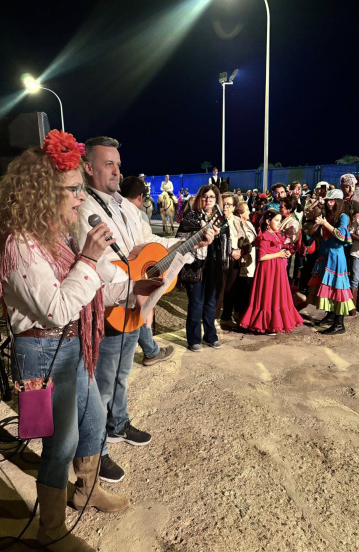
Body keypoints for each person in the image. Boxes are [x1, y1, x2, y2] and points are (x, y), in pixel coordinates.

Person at [0, 130, 159, 551]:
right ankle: (50, 531)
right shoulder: (20, 245)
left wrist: (132, 286)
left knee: (94, 422)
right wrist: (88, 257)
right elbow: (58, 308)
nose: (81, 198)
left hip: (70, 346)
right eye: (73, 190)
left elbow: (89, 289)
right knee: (59, 443)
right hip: (41, 353)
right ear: (43, 193)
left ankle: (85, 489)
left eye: (81, 189)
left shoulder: (53, 237)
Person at [78, 137, 213, 483]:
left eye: (118, 164)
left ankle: (118, 424)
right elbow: (97, 266)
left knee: (122, 375)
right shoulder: (82, 210)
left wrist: (187, 242)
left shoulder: (126, 206)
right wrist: (133, 285)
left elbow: (148, 245)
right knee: (101, 385)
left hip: (134, 304)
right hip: (111, 306)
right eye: (108, 164)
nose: (117, 171)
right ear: (89, 168)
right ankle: (97, 452)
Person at [120, 175, 175, 365]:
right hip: (132, 275)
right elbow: (150, 241)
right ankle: (150, 351)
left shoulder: (117, 211)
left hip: (124, 275)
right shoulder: (138, 215)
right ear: (140, 197)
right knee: (141, 310)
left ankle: (150, 349)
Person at [176, 184, 224, 351]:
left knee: (211, 302)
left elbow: (226, 241)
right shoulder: (191, 217)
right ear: (199, 198)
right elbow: (180, 240)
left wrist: (220, 236)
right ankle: (194, 339)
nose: (208, 200)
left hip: (213, 266)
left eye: (212, 197)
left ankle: (211, 336)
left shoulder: (221, 219)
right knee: (196, 303)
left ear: (216, 199)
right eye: (205, 196)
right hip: (195, 266)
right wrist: (201, 236)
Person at [239, 210, 303, 334]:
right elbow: (261, 256)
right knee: (268, 295)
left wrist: (284, 253)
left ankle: (274, 323)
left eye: (280, 220)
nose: (279, 223)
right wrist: (278, 254)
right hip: (268, 270)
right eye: (277, 220)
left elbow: (276, 250)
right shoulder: (265, 236)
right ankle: (266, 324)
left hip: (277, 269)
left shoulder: (275, 235)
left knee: (276, 295)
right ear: (268, 222)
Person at [307, 189, 355, 334]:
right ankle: (331, 315)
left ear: (338, 202)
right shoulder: (327, 216)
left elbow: (341, 235)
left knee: (338, 288)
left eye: (332, 200)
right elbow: (311, 234)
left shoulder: (343, 217)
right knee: (328, 286)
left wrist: (325, 223)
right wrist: (317, 224)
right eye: (328, 200)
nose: (329, 203)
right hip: (325, 255)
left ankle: (339, 324)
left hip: (336, 258)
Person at [215, 193, 244, 326]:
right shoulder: (216, 220)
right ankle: (213, 318)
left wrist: (240, 251)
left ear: (234, 207)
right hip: (221, 259)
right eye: (223, 204)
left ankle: (226, 317)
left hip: (235, 259)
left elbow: (243, 239)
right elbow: (216, 242)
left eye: (229, 204)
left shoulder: (237, 220)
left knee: (231, 289)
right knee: (219, 290)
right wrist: (230, 251)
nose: (225, 207)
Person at [233, 201, 257, 321]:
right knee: (242, 289)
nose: (249, 212)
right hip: (243, 263)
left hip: (251, 261)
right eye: (247, 210)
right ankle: (239, 315)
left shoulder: (249, 224)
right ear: (241, 213)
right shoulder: (237, 225)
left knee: (248, 288)